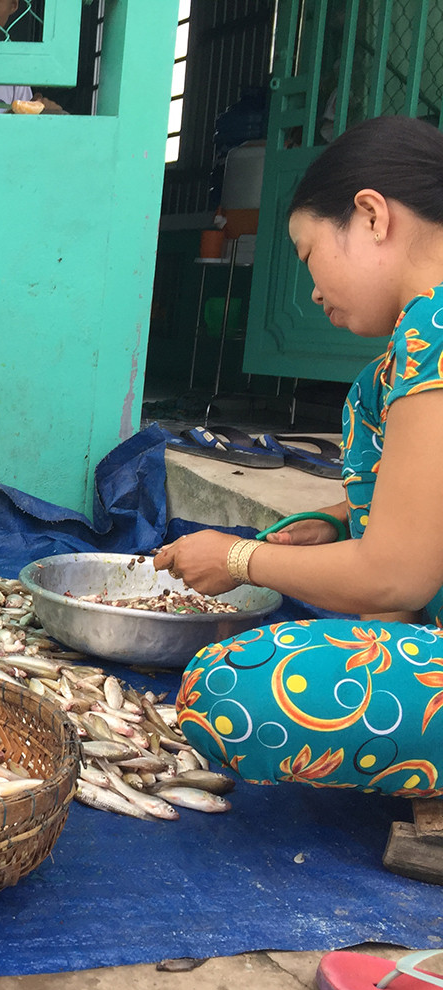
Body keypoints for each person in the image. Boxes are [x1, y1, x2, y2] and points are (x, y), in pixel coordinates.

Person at [153, 115, 443, 799]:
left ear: (371, 216)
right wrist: (344, 519)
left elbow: (395, 579)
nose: (312, 290)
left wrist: (236, 557)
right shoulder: (406, 352)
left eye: (310, 254)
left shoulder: (433, 328)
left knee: (229, 690)